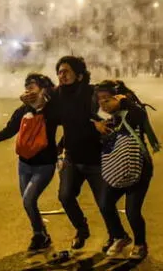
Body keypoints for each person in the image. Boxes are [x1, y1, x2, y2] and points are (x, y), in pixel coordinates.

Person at [0, 73, 59, 254]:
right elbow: (9, 130)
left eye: (33, 86)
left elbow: (62, 114)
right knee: (28, 202)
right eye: (27, 86)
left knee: (29, 200)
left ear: (43, 89)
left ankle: (38, 234)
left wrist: (41, 101)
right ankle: (42, 235)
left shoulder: (51, 109)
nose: (29, 89)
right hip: (24, 164)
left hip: (44, 165)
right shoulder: (22, 110)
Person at [49, 56, 112, 251]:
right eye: (59, 71)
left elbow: (107, 114)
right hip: (72, 157)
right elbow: (60, 121)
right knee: (65, 196)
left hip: (96, 158)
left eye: (66, 71)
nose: (62, 75)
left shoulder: (92, 93)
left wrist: (100, 122)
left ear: (80, 75)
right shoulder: (57, 95)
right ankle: (81, 229)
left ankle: (115, 236)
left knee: (104, 203)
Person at [94, 80, 156, 260]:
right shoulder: (108, 118)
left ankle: (140, 244)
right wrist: (97, 127)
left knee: (132, 211)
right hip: (116, 168)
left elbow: (140, 115)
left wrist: (125, 102)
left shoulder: (132, 112)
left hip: (139, 168)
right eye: (100, 100)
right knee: (105, 203)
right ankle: (120, 236)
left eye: (107, 99)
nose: (103, 104)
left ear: (118, 97)